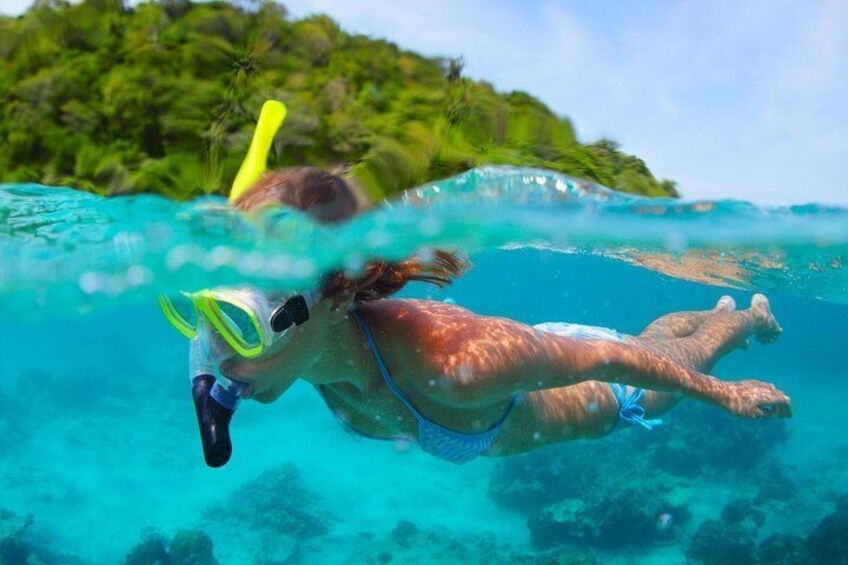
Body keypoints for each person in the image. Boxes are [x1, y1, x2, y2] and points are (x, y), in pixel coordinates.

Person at [163, 165, 790, 466]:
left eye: (240, 323)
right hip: (537, 364)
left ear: (333, 299)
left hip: (601, 388)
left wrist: (725, 395)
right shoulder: (295, 346)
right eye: (205, 315)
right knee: (655, 335)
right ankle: (724, 305)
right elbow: (209, 344)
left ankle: (744, 320)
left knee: (675, 357)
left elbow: (609, 358)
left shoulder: (453, 366)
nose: (217, 354)